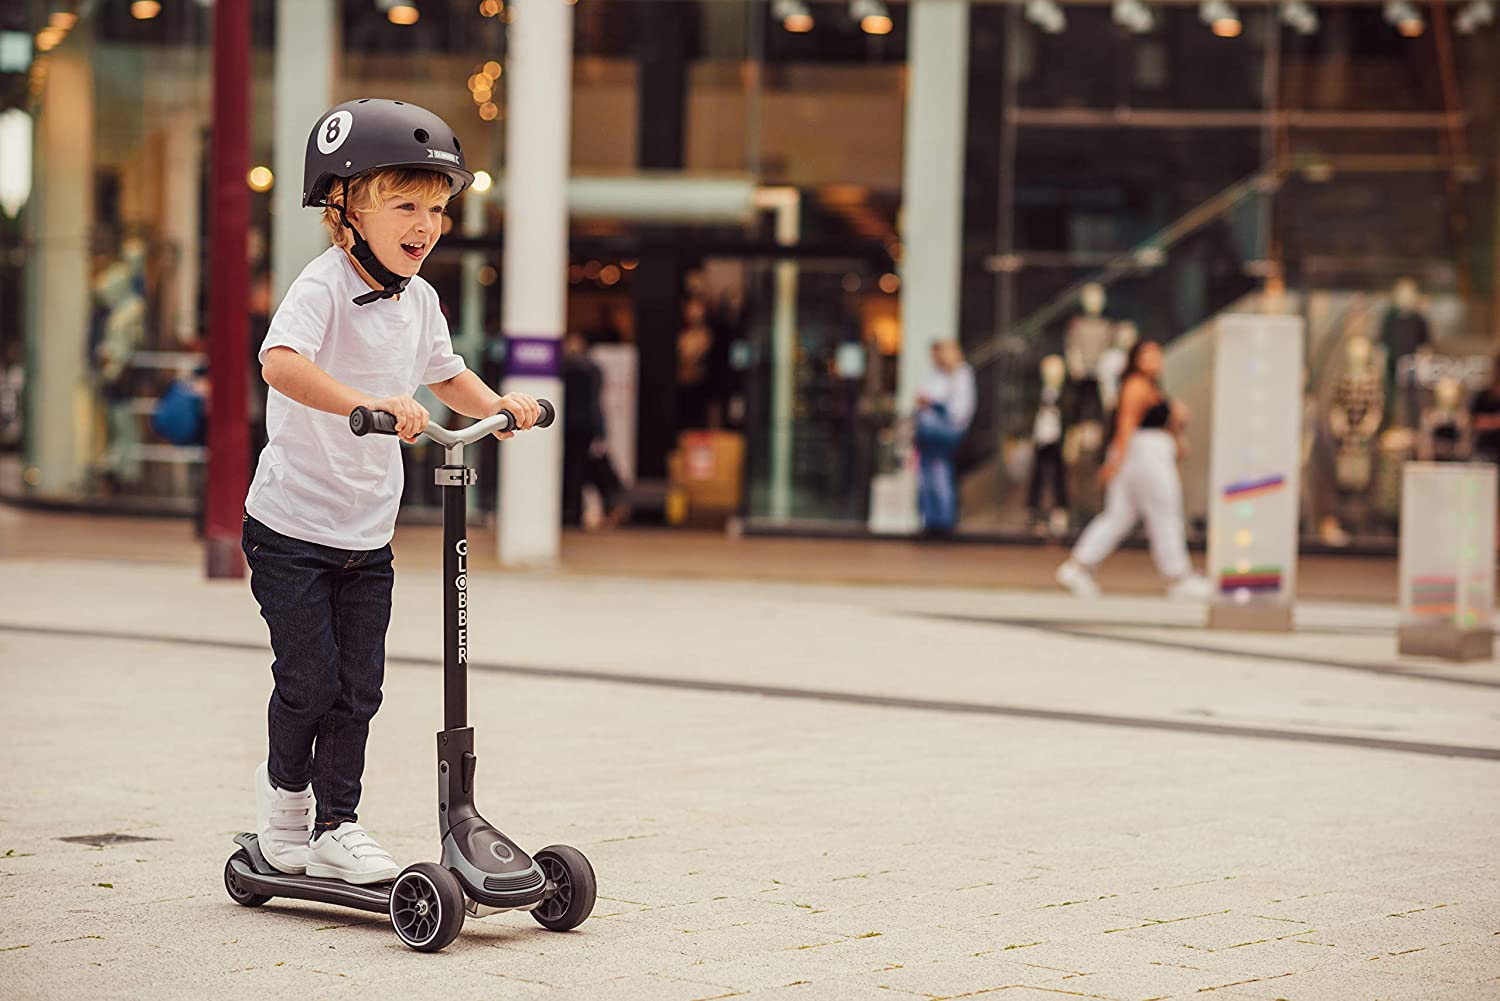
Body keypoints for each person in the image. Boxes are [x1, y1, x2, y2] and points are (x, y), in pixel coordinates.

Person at [243, 100, 542, 884]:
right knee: (308, 680)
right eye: (406, 205)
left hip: (365, 535)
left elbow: (444, 373)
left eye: (438, 208)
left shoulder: (421, 301)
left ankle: (339, 824)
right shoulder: (323, 286)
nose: (426, 223)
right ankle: (284, 817)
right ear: (345, 209)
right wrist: (364, 406)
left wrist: (498, 407)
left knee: (359, 687)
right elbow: (278, 363)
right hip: (291, 529)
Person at [1055, 339, 1211, 600]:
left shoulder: (1151, 388)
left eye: (1157, 355)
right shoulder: (1135, 386)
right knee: (1165, 513)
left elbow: (1167, 422)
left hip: (1144, 456)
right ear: (1135, 360)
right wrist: (1113, 464)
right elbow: (1126, 426)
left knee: (1118, 517)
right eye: (1148, 356)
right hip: (1144, 457)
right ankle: (1178, 576)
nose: (1155, 361)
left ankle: (1077, 567)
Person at [561, 331, 625, 527]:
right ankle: (575, 512)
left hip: (566, 427)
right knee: (578, 471)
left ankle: (571, 512)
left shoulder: (563, 368)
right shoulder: (593, 369)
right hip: (585, 427)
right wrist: (600, 432)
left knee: (571, 472)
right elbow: (595, 403)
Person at [914, 339, 976, 536]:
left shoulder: (961, 374)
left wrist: (933, 404)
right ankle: (930, 520)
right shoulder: (936, 374)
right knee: (927, 477)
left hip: (946, 432)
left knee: (939, 473)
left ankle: (943, 522)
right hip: (929, 436)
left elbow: (959, 412)